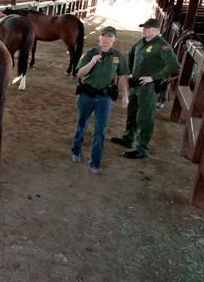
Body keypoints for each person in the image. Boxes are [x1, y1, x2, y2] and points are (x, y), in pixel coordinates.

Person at [111, 18, 181, 159]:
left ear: (157, 31)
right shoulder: (140, 42)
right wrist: (129, 72)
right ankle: (128, 138)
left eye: (148, 28)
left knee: (144, 116)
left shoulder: (162, 46)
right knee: (132, 113)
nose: (144, 30)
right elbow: (131, 56)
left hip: (148, 87)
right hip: (135, 83)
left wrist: (154, 77)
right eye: (144, 27)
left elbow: (174, 66)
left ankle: (142, 148)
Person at [71, 26, 130, 174]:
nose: (106, 40)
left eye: (109, 37)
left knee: (100, 130)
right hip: (87, 95)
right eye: (103, 37)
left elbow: (122, 76)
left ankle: (95, 162)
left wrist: (125, 96)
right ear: (100, 38)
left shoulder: (118, 56)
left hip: (105, 98)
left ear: (114, 40)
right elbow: (79, 74)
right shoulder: (90, 53)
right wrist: (91, 62)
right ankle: (76, 150)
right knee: (82, 124)